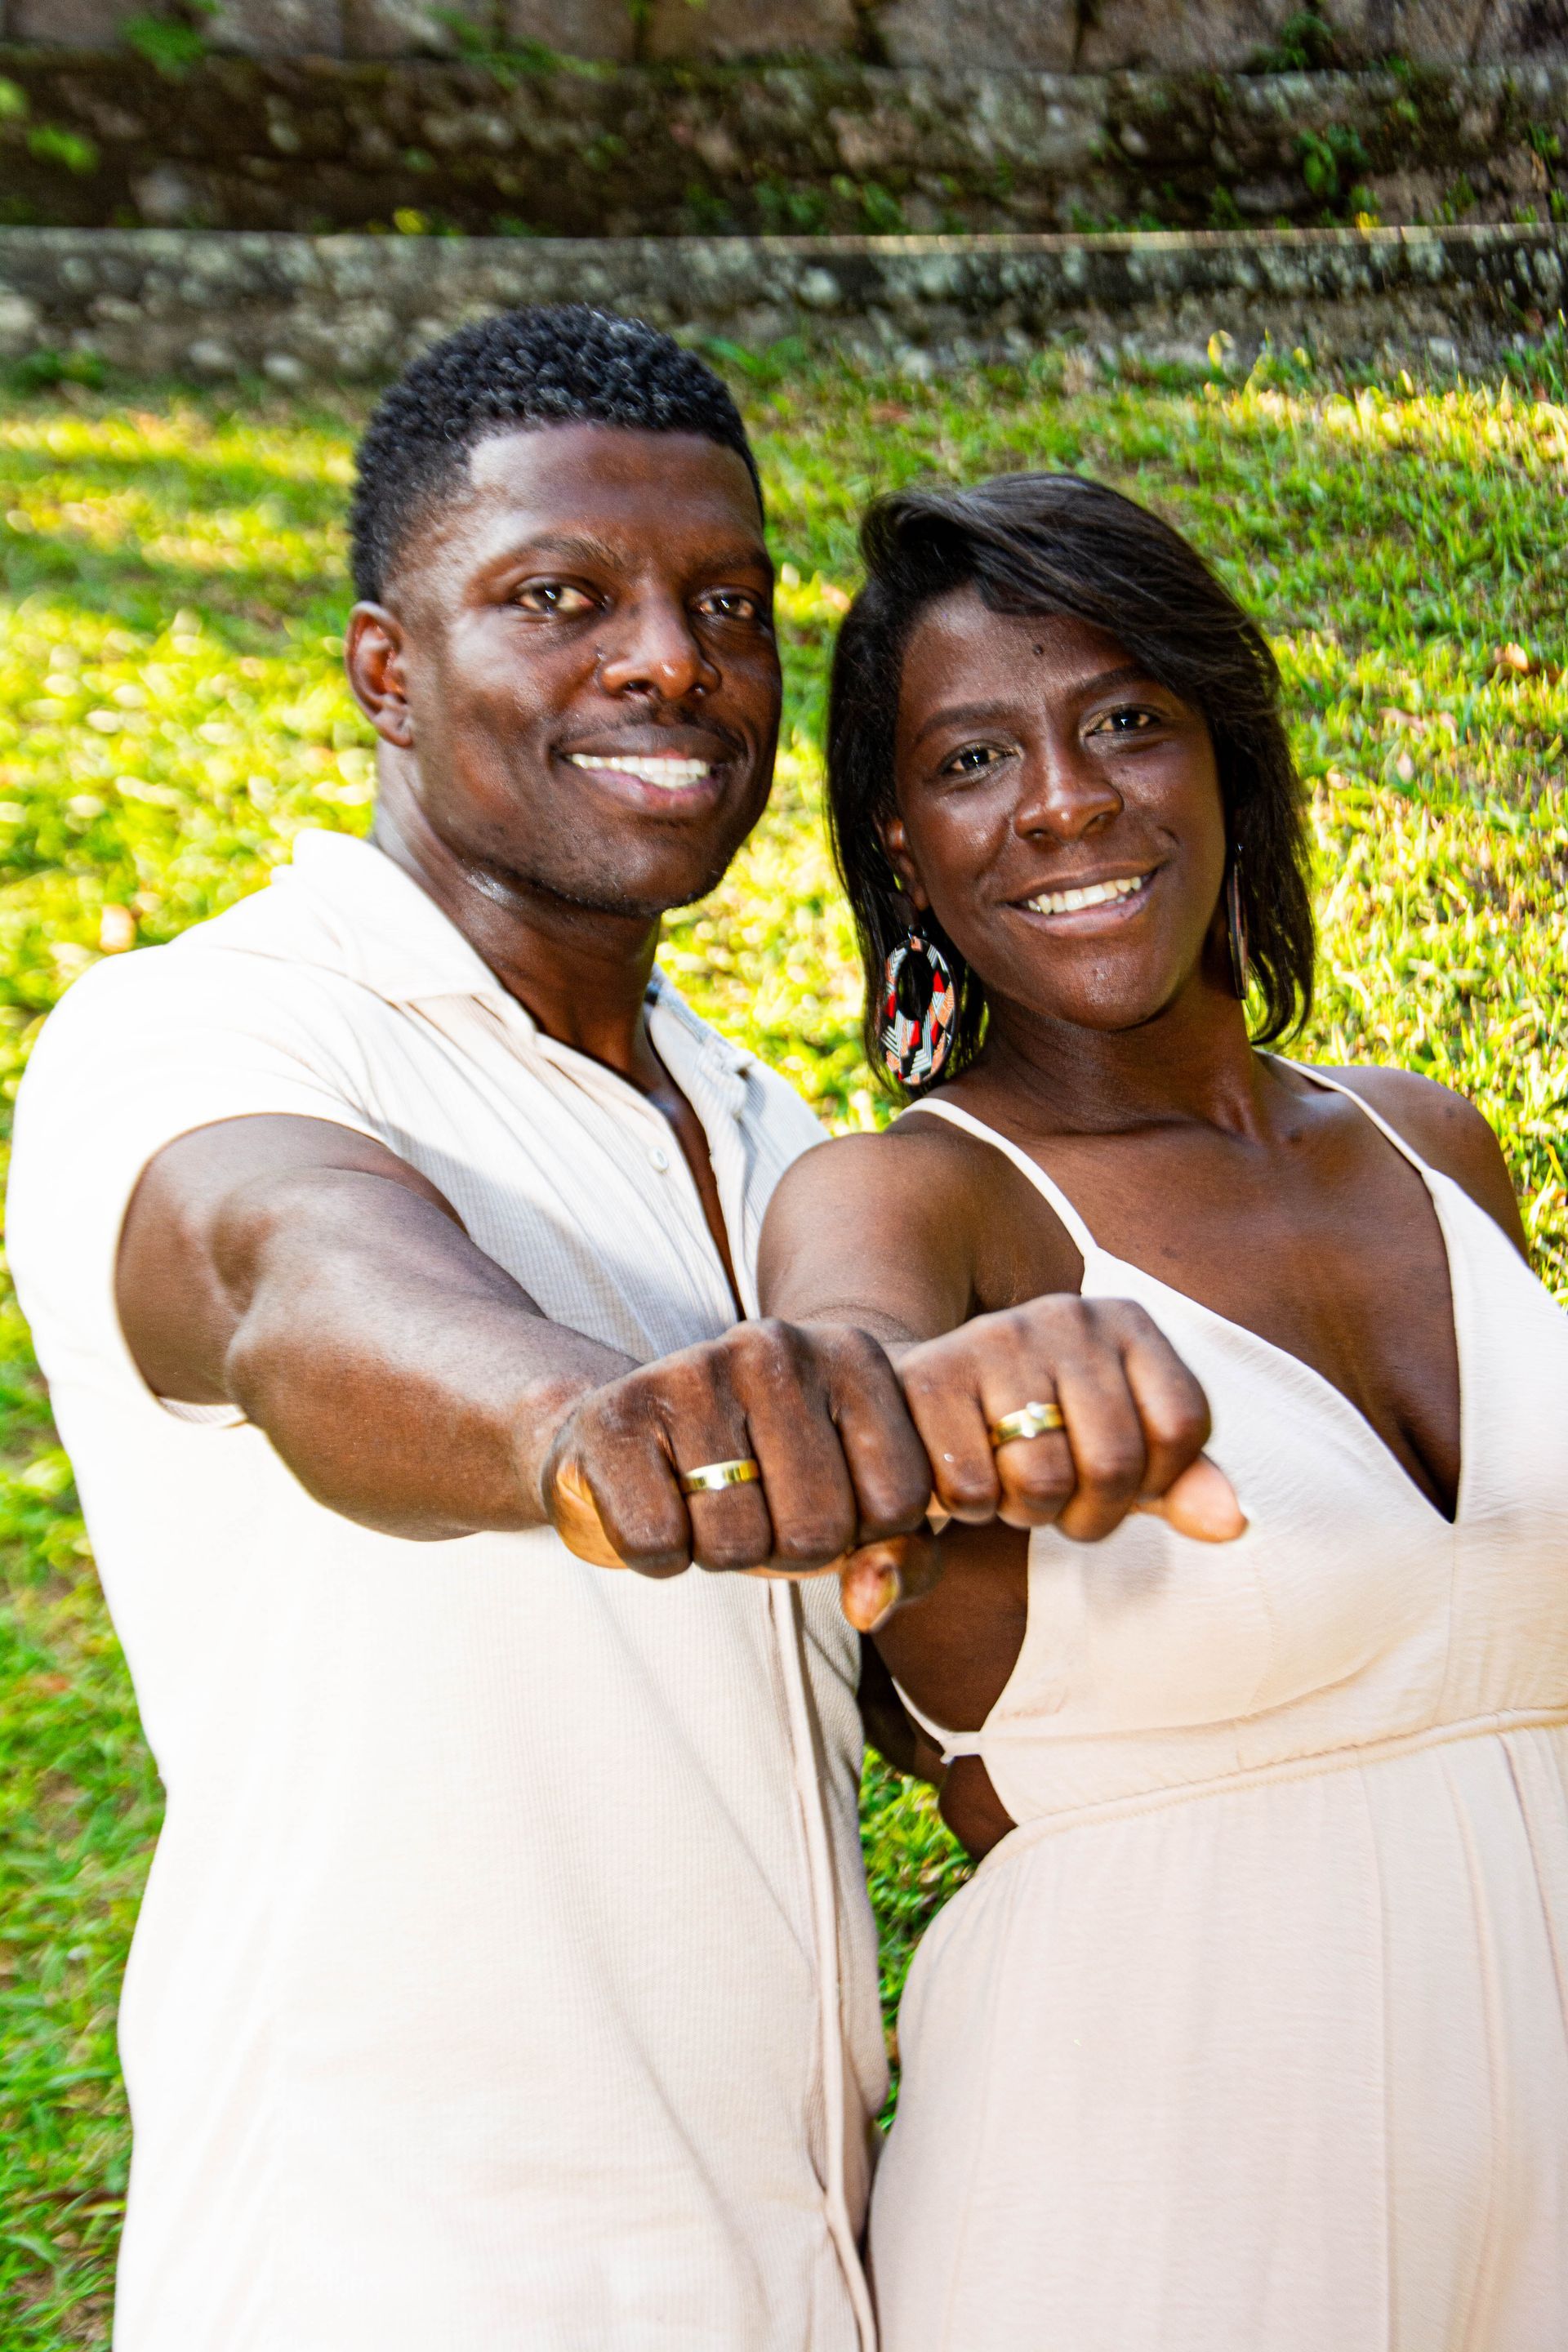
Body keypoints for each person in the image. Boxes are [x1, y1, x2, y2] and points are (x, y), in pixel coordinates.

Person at [6, 307, 938, 2352]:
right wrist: (576, 1431)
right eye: (560, 598)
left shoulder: (770, 1132)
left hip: (800, 2257)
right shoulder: (207, 1027)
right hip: (402, 2264)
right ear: (386, 672)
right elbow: (291, 1281)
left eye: (727, 603)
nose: (672, 661)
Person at [759, 472, 1568, 2350]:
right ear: (904, 846)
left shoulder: (1434, 1145)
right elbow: (837, 1377)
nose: (1063, 800)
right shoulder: (913, 1202)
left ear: (1228, 755)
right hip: (1160, 2186)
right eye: (973, 760)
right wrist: (933, 1400)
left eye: (1126, 719)